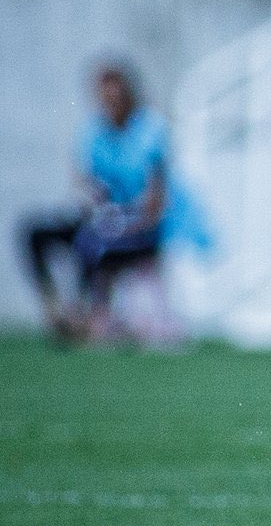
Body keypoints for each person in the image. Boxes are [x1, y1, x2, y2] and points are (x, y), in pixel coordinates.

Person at [18, 61, 172, 344]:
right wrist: (92, 202)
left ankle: (90, 317)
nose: (110, 104)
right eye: (105, 98)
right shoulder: (91, 131)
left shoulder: (151, 131)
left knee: (92, 242)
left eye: (116, 97)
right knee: (35, 232)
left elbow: (156, 200)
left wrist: (126, 221)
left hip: (138, 229)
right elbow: (83, 183)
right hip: (101, 219)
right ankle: (57, 309)